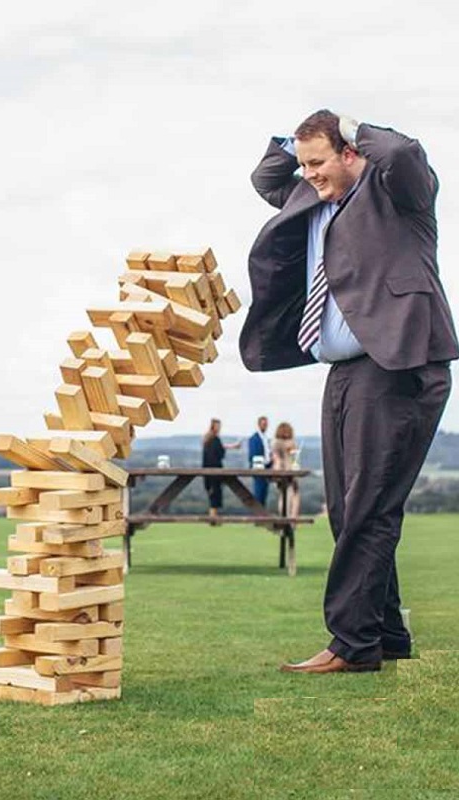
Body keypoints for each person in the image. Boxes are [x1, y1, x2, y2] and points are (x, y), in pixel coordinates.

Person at [240, 110, 458, 673]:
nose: (309, 173)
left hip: (397, 364)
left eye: (319, 161)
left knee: (369, 507)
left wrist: (349, 123)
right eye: (305, 163)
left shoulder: (398, 194)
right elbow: (266, 177)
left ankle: (352, 644)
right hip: (344, 371)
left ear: (351, 153)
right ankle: (385, 634)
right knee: (347, 509)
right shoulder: (311, 197)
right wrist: (299, 141)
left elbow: (403, 153)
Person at [201, 418, 242, 521]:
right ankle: (213, 518)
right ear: (213, 427)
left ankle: (213, 517)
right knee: (214, 494)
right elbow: (219, 452)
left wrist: (232, 447)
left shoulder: (209, 439)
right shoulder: (213, 439)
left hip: (208, 470)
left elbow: (219, 448)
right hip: (214, 471)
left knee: (213, 493)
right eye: (217, 426)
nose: (219, 428)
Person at [271, 422, 301, 523]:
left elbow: (276, 460)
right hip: (289, 472)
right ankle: (292, 519)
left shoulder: (275, 443)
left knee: (283, 496)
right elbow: (293, 459)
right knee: (294, 496)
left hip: (279, 473)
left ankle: (284, 517)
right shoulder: (290, 443)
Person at [247, 415, 272, 505]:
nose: (265, 426)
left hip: (267, 468)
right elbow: (253, 455)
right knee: (259, 493)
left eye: (266, 424)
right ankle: (258, 511)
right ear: (259, 425)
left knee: (264, 493)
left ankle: (261, 512)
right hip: (258, 468)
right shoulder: (254, 438)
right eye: (263, 424)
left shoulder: (265, 438)